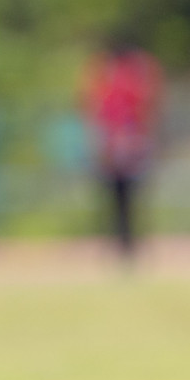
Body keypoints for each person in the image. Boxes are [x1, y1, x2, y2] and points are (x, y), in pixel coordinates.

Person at [82, 39, 162, 258]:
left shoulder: (118, 81)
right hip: (119, 143)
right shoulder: (118, 81)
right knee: (120, 194)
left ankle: (126, 241)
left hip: (124, 142)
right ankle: (123, 241)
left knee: (126, 194)